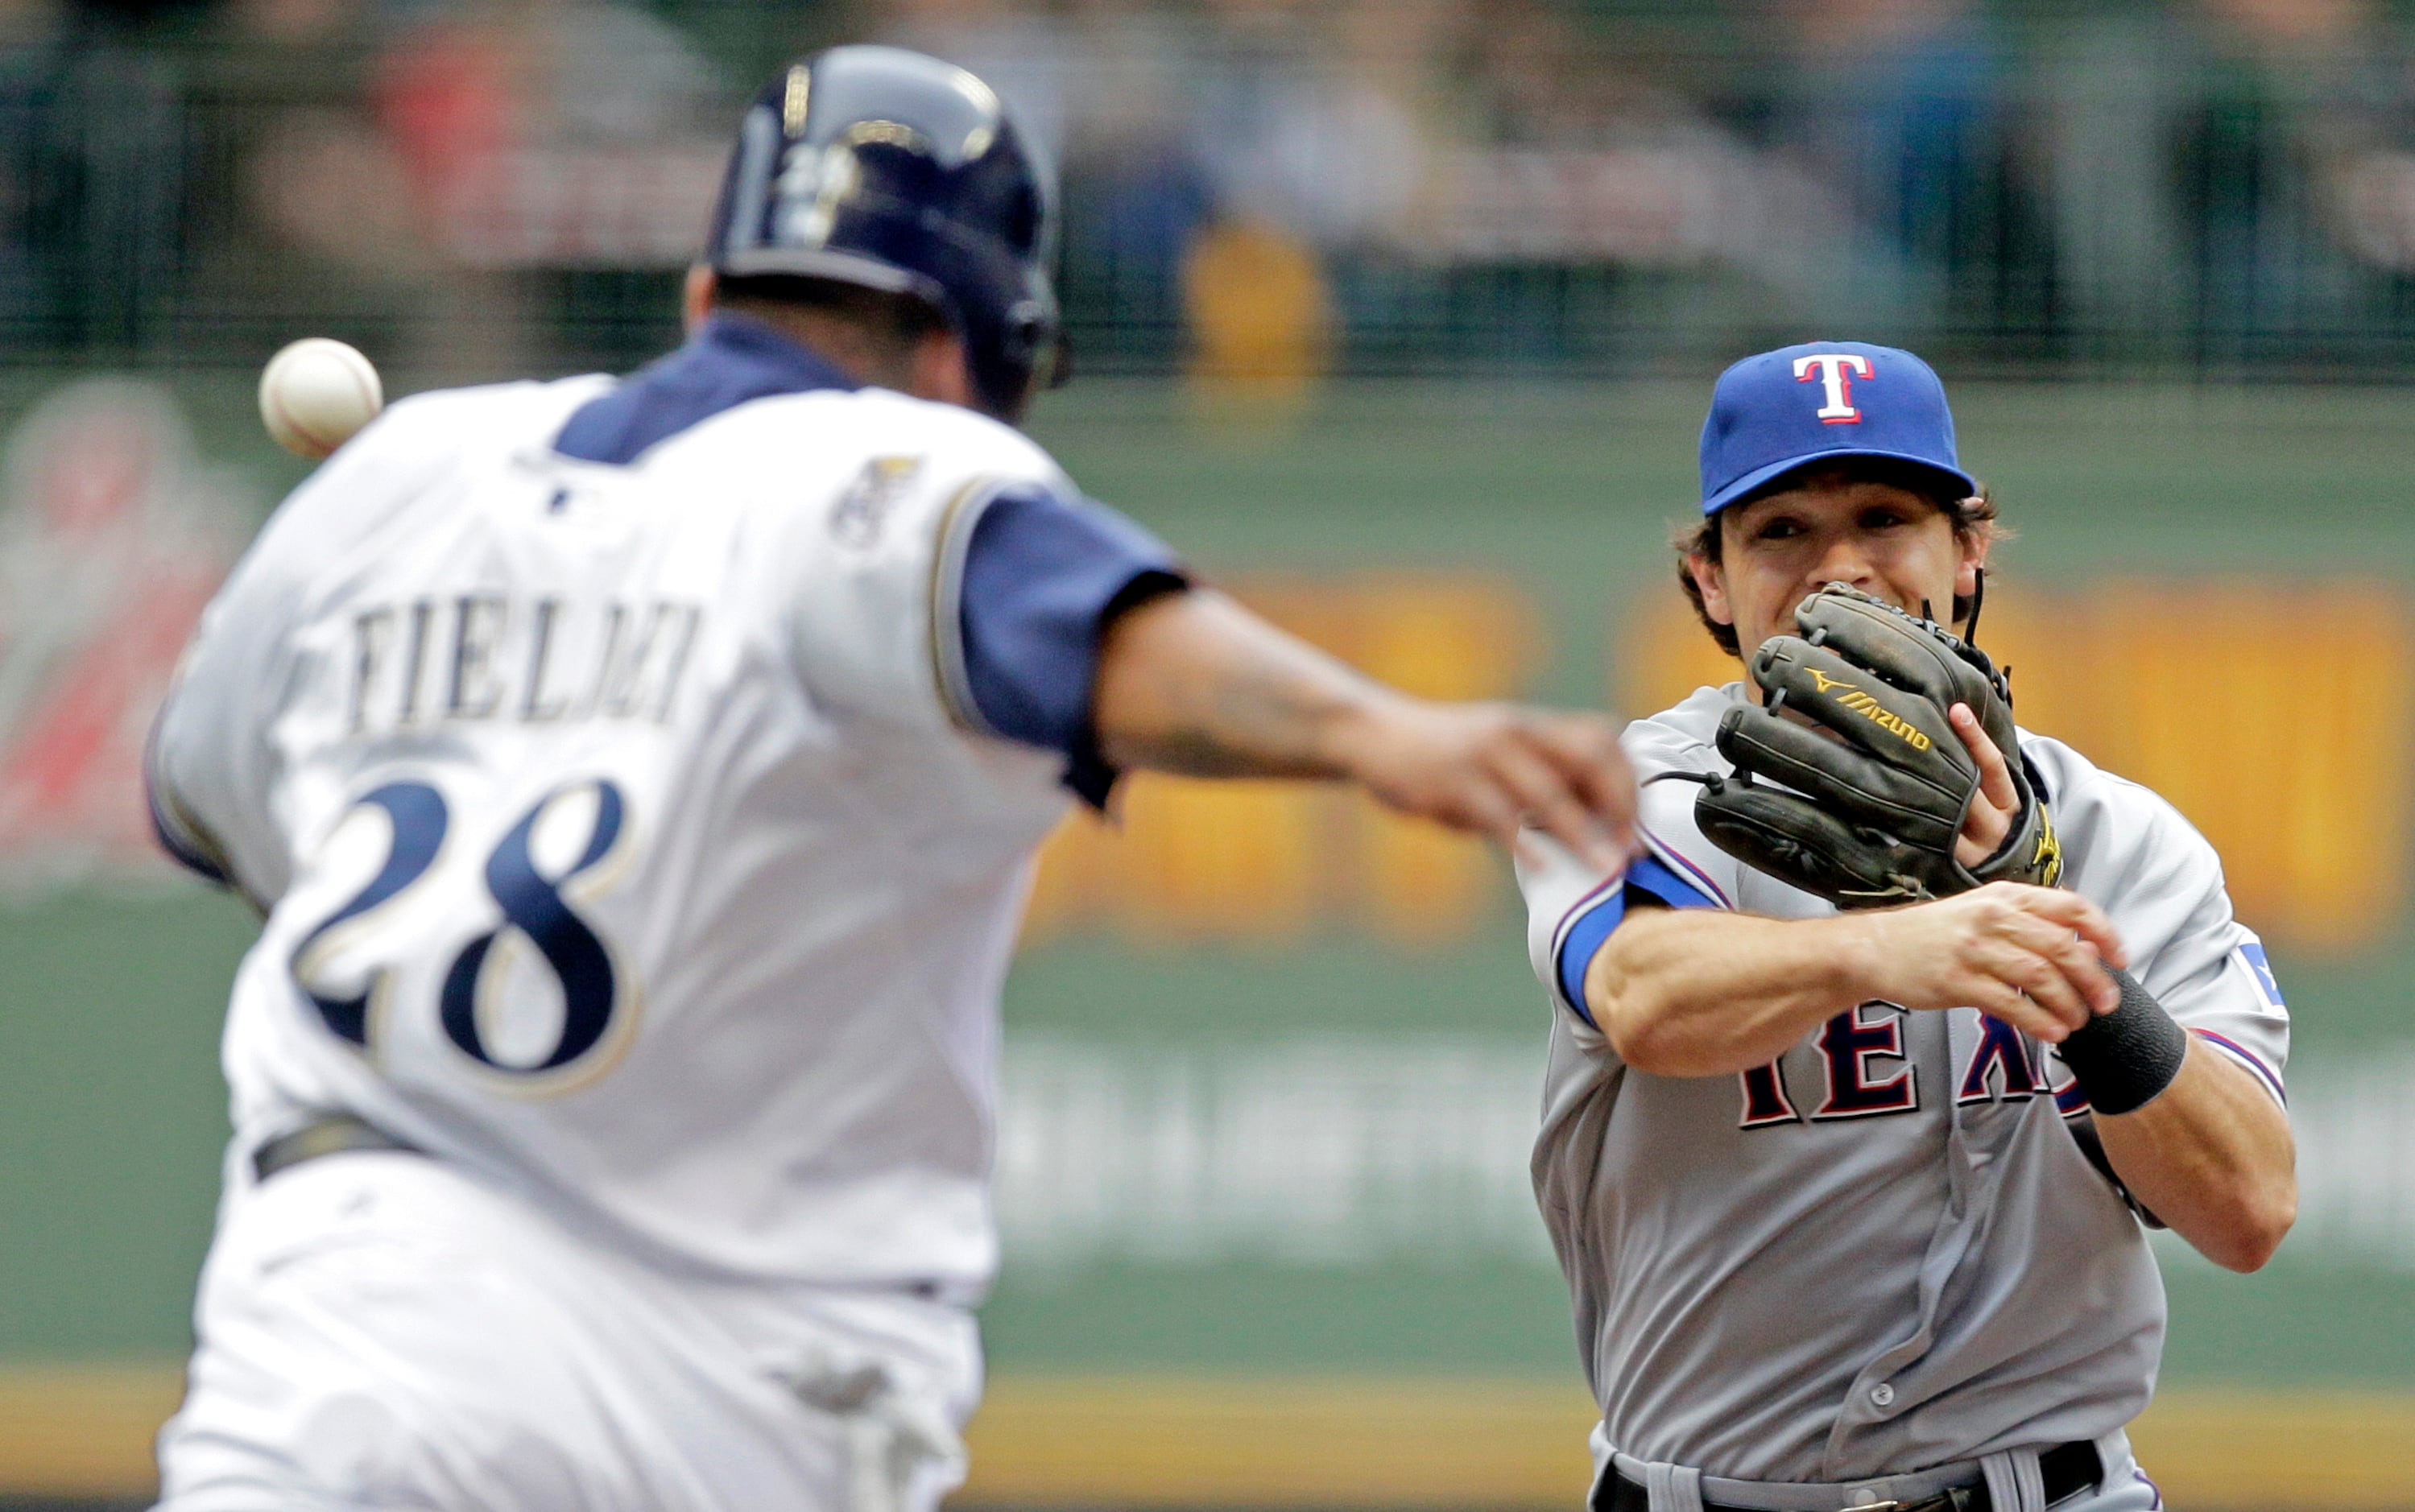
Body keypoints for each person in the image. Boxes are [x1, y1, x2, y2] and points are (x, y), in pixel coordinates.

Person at [144, 45, 1636, 1512]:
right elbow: (1076, 625)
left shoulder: (397, 477)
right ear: (957, 356)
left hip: (338, 1308)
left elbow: (203, 807)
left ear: (704, 293)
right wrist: (1380, 730)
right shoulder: (889, 467)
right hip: (725, 1376)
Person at [1519, 341, 2294, 1512]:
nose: (1842, 571)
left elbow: (2247, 1208)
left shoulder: (2121, 840)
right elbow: (1643, 995)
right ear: (1710, 578)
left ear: (1968, 547)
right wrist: (1886, 946)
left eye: (1886, 517)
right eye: (1781, 529)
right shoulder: (1640, 793)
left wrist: (2065, 963)